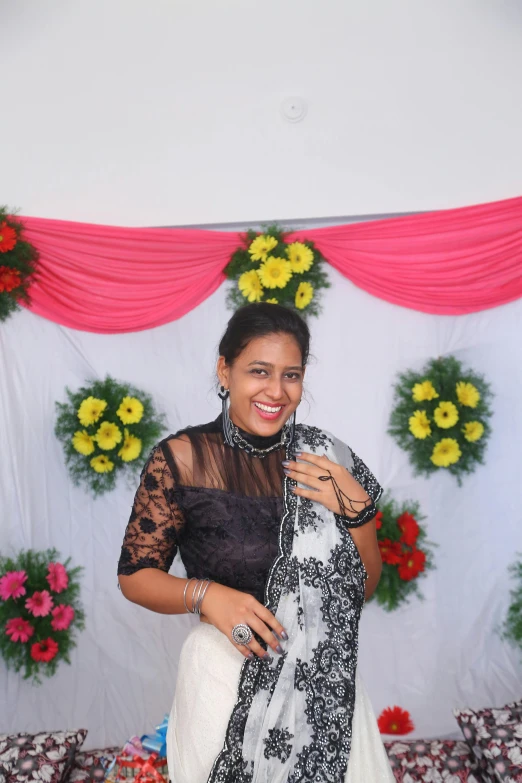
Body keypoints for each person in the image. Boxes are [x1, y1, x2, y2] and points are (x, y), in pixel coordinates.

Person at [117, 303, 394, 783]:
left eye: (291, 374)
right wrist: (206, 595)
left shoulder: (326, 459)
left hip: (322, 686)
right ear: (225, 370)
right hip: (221, 673)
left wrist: (359, 513)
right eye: (259, 371)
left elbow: (363, 588)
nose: (276, 391)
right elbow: (134, 577)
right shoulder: (182, 459)